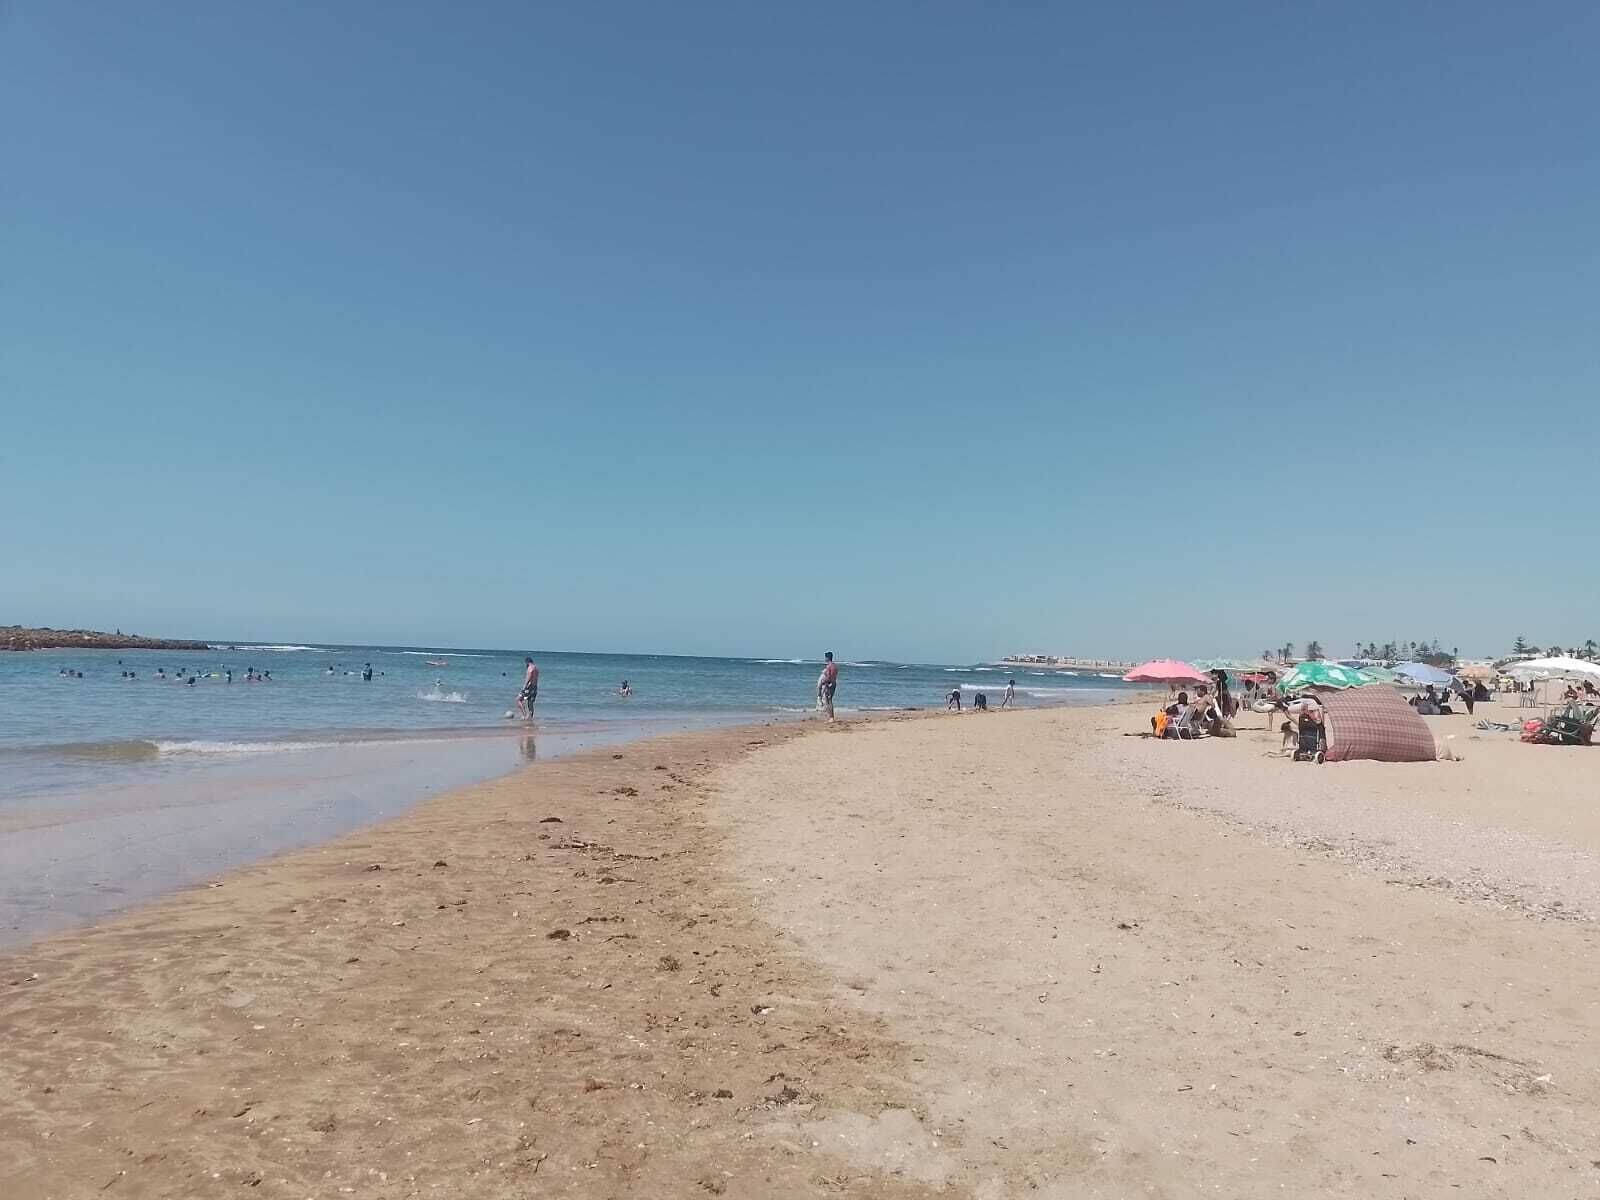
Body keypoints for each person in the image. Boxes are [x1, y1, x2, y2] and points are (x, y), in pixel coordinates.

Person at [816, 652, 838, 719]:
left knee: (828, 701)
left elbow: (828, 677)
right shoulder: (835, 666)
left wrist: (823, 682)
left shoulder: (828, 666)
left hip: (829, 684)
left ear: (827, 658)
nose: (825, 659)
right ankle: (831, 717)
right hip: (834, 683)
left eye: (825, 657)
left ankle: (831, 717)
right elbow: (834, 676)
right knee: (829, 700)